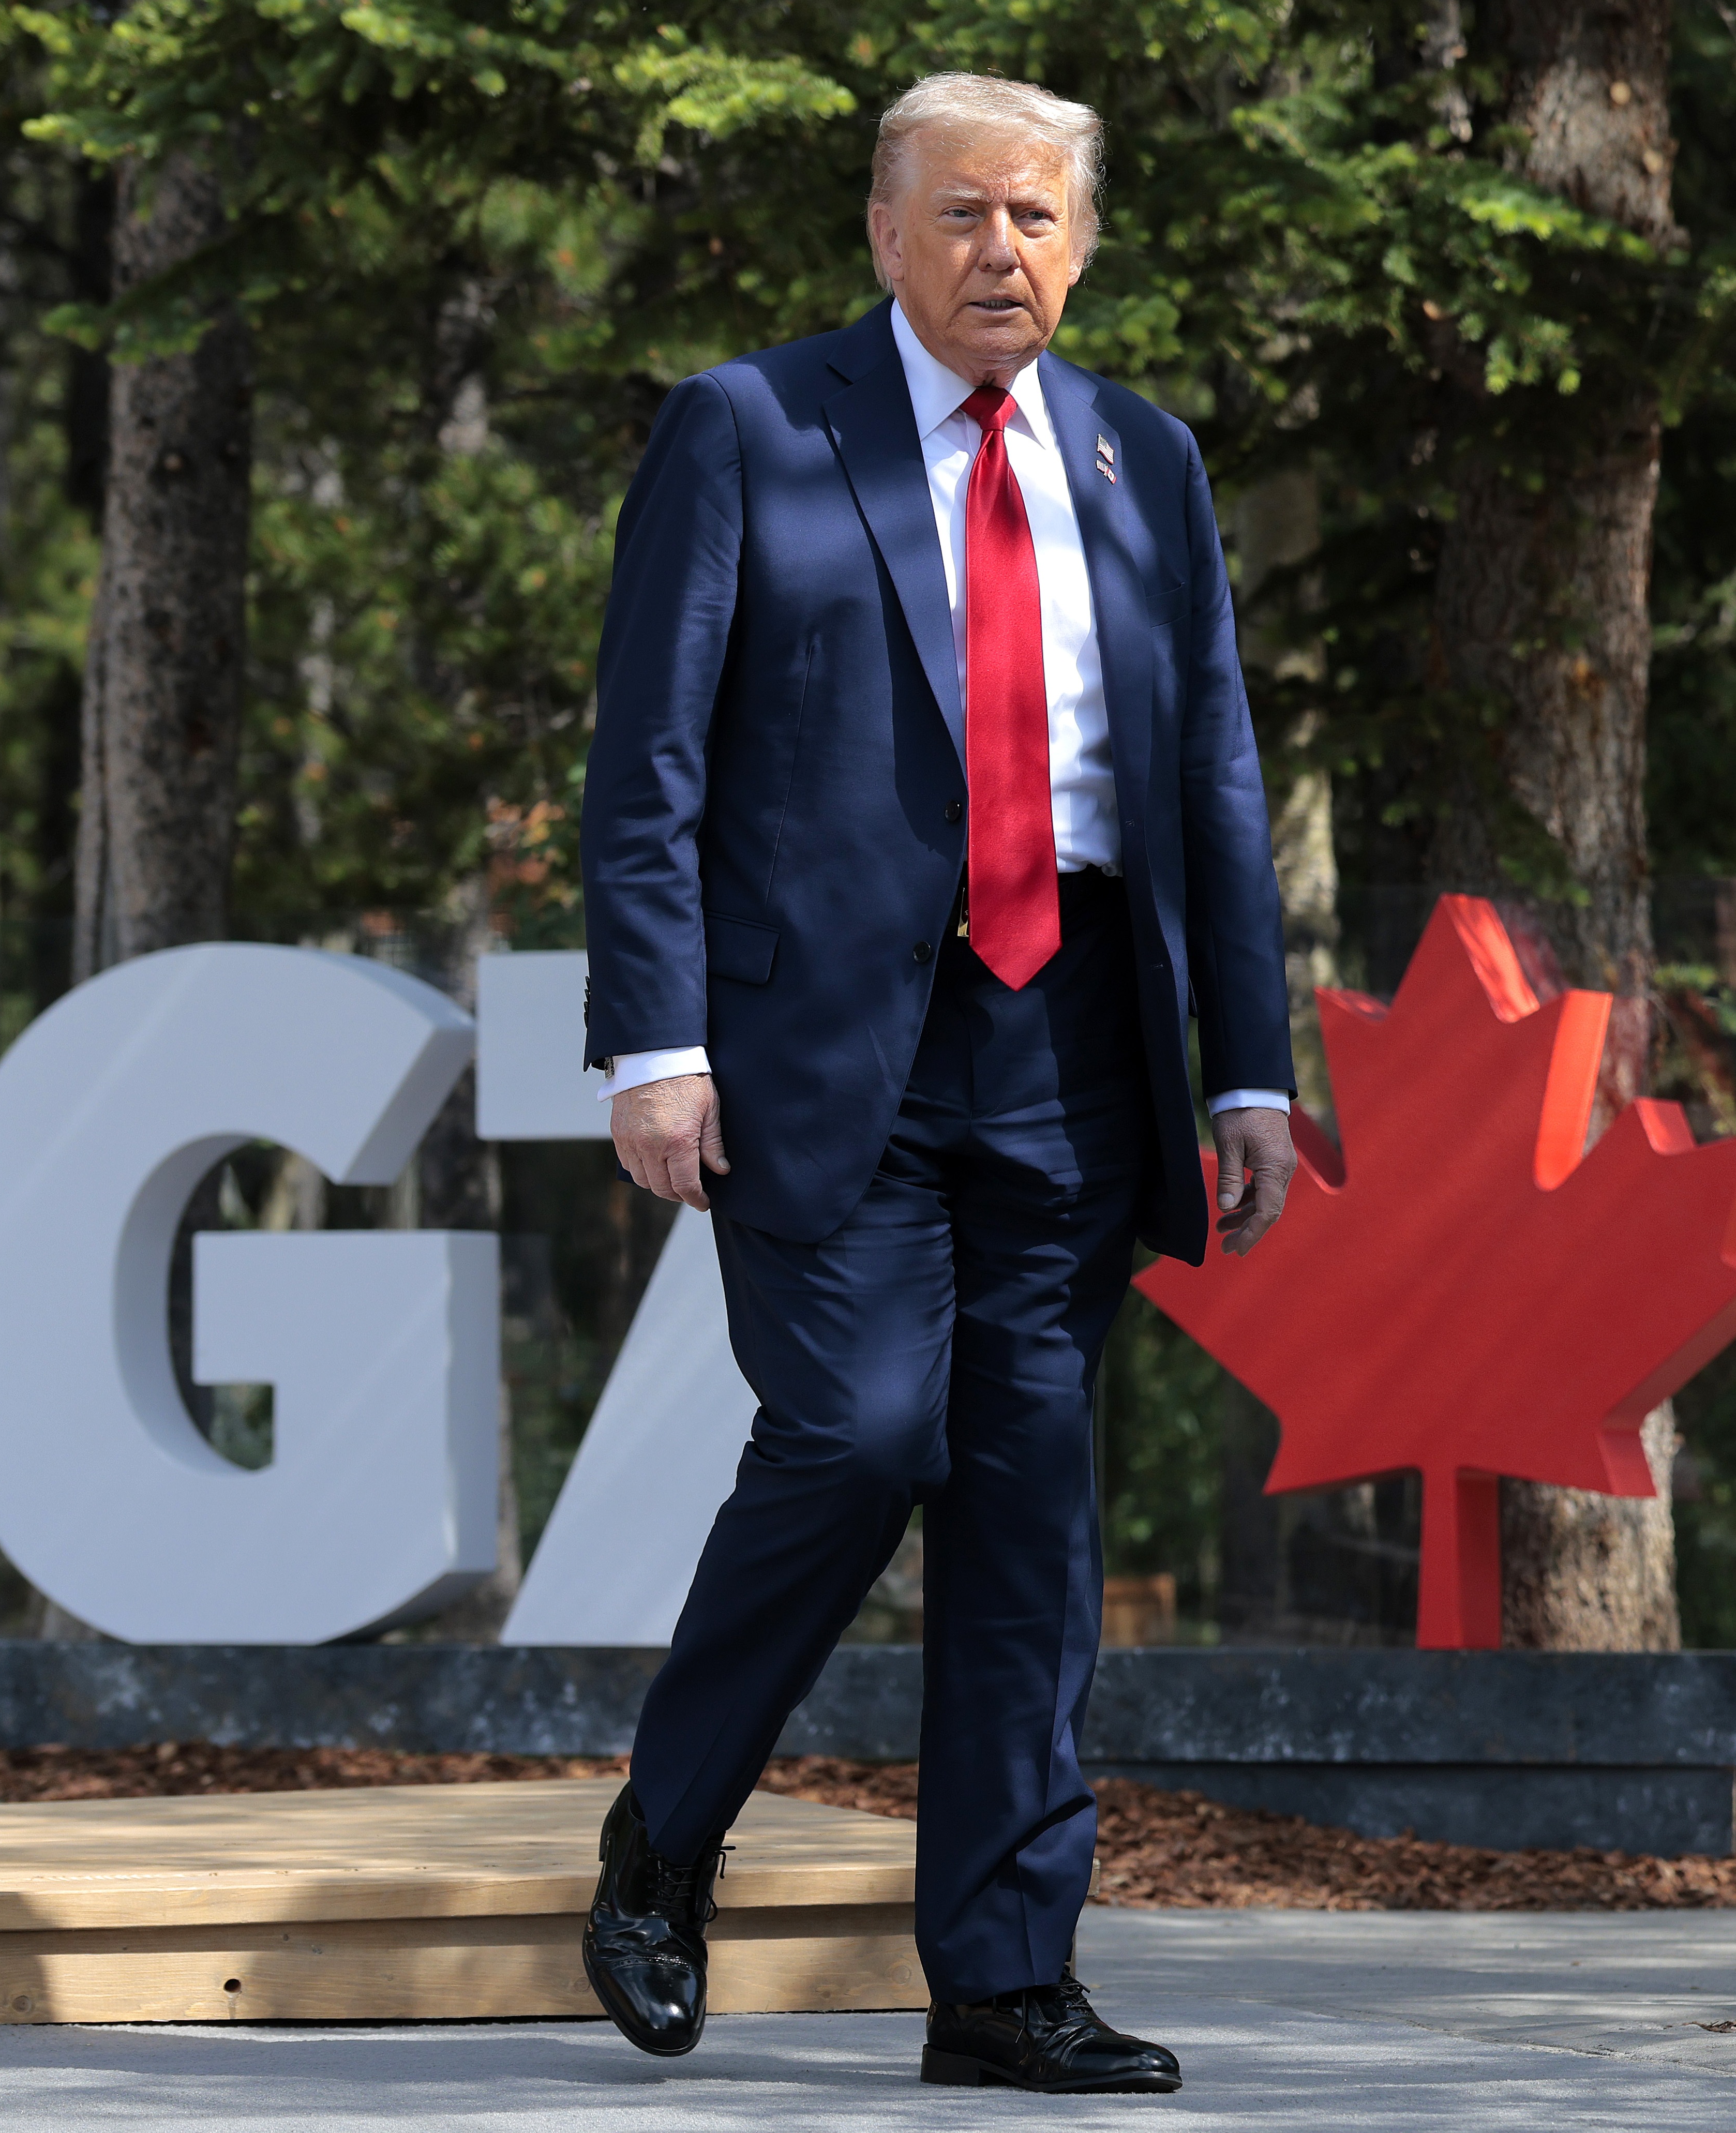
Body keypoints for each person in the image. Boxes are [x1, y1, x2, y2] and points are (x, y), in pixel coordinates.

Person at [573, 71, 1300, 2095]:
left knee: (1024, 1506)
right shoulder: (750, 425)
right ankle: (664, 1837)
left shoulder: (1144, 460)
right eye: (964, 212)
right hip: (822, 1053)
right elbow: (647, 757)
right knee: (861, 1426)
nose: (1002, 250)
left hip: (1071, 1040)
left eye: (1037, 216)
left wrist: (1246, 1069)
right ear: (886, 234)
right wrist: (654, 1042)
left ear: (1084, 246)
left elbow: (1211, 781)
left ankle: (1001, 1977)